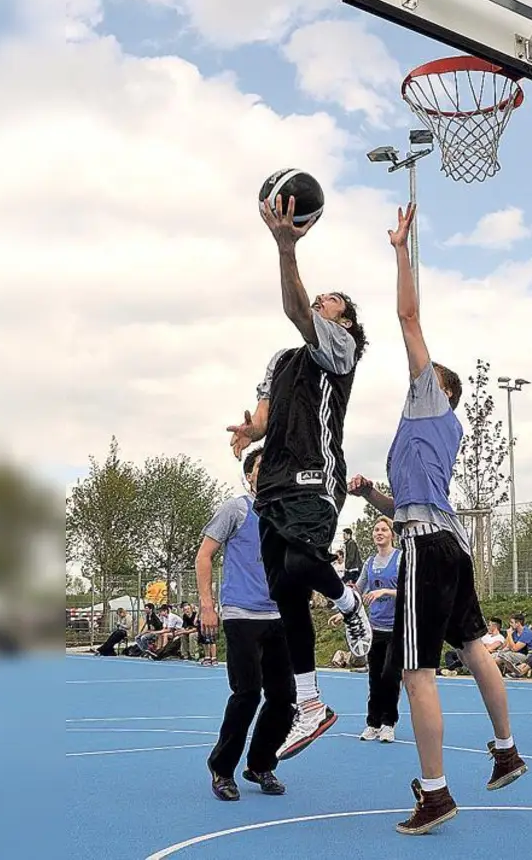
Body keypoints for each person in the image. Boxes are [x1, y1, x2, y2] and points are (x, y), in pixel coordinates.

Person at [348, 203, 525, 836]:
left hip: (427, 549)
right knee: (474, 646)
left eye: (421, 372)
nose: (411, 372)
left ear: (437, 387)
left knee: (414, 670)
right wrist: (373, 496)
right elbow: (410, 506)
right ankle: (506, 749)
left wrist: (400, 249)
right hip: (444, 536)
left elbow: (407, 315)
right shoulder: (425, 437)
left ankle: (435, 792)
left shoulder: (428, 398)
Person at [225, 193, 373, 760]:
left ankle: (349, 603)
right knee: (285, 594)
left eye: (331, 299)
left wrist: (286, 246)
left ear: (347, 319)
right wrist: (250, 433)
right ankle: (310, 703)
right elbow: (264, 415)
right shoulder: (281, 360)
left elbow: (296, 312)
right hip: (275, 483)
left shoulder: (340, 346)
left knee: (297, 564)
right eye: (321, 296)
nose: (321, 298)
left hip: (316, 472)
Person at [198, 447, 296, 801]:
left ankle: (260, 764)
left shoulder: (285, 513)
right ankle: (222, 769)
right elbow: (204, 555)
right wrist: (208, 605)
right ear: (250, 474)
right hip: (241, 614)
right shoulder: (236, 509)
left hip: (277, 616)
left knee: (284, 697)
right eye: (261, 467)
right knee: (247, 693)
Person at [357, 517, 401, 743]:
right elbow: (357, 591)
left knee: (390, 675)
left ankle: (388, 723)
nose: (379, 532)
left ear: (392, 534)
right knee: (374, 677)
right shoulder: (369, 563)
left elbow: (409, 589)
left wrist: (386, 592)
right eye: (376, 529)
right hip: (374, 628)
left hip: (396, 628)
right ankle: (373, 723)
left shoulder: (401, 558)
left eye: (384, 529)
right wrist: (342, 610)